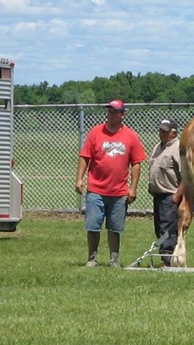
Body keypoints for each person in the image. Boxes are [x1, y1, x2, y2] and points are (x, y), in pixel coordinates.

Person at [75, 99, 146, 268]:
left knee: (115, 227)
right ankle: (92, 258)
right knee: (93, 225)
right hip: (96, 189)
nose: (110, 114)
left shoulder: (130, 136)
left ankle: (114, 259)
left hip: (119, 191)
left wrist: (133, 188)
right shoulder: (96, 132)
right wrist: (79, 178)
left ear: (123, 115)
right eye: (109, 111)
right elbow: (85, 157)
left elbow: (136, 163)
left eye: (114, 111)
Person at [148, 118, 181, 266]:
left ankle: (169, 259)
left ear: (173, 133)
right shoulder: (158, 147)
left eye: (165, 131)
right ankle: (164, 255)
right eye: (160, 130)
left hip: (171, 194)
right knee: (160, 226)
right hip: (158, 194)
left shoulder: (178, 148)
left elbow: (184, 175)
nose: (161, 133)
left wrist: (177, 196)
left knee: (168, 227)